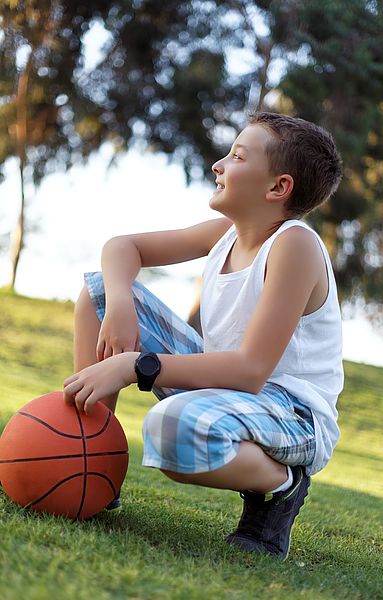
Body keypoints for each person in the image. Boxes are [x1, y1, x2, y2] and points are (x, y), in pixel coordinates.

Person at [63, 111, 344, 561]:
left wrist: (135, 365)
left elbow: (251, 370)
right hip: (228, 387)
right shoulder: (226, 234)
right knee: (95, 291)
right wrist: (118, 303)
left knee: (170, 427)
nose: (218, 164)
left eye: (236, 156)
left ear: (277, 188)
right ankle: (88, 467)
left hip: (292, 413)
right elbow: (123, 247)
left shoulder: (295, 246)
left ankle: (283, 483)